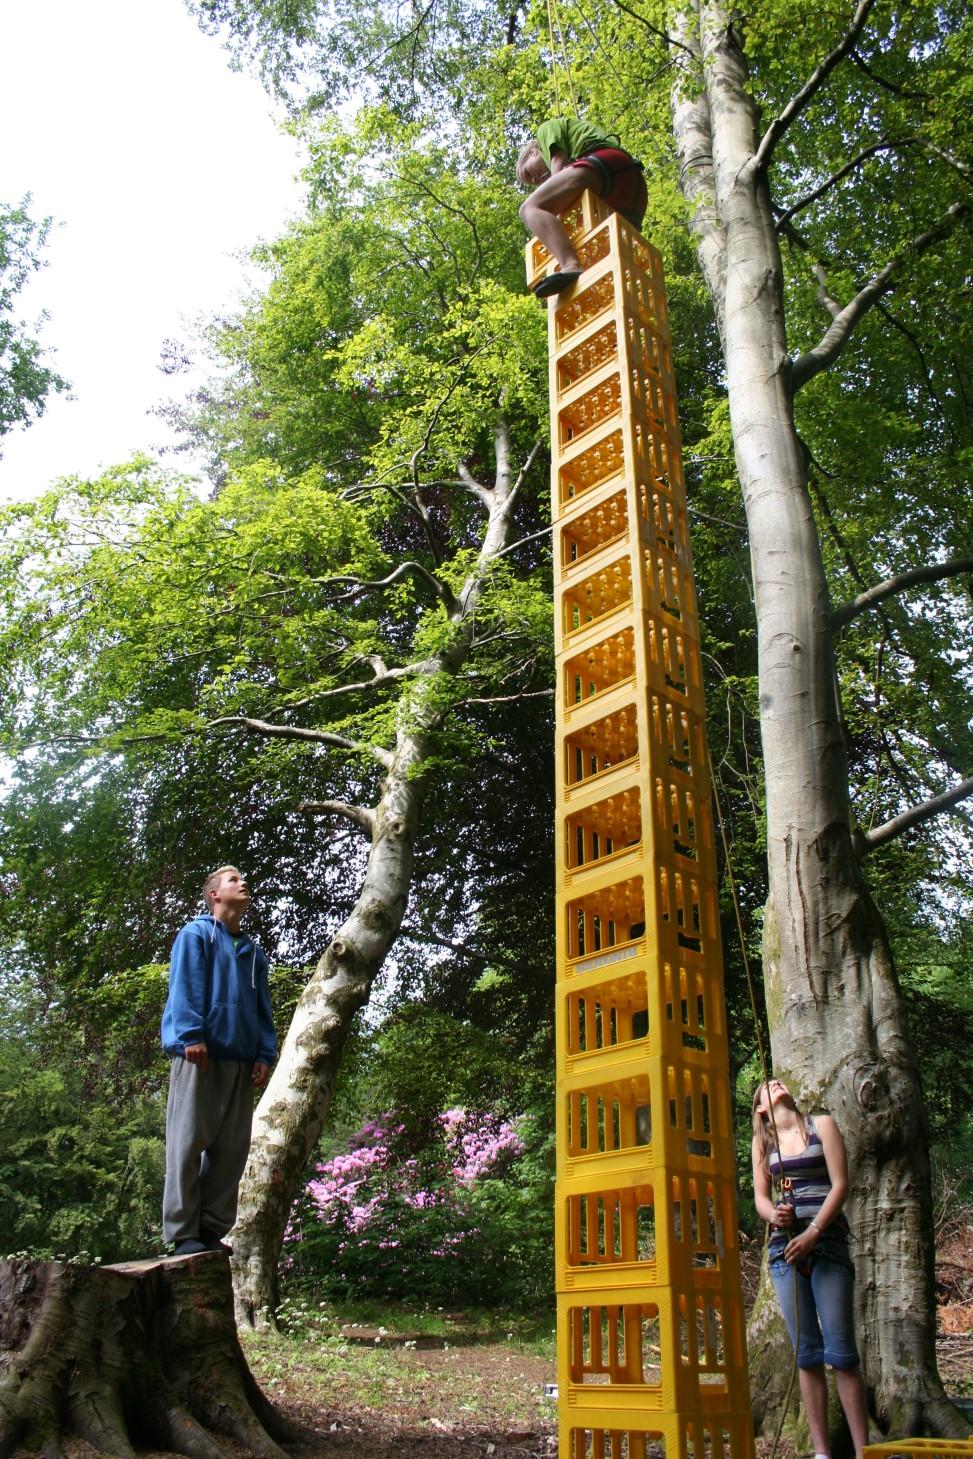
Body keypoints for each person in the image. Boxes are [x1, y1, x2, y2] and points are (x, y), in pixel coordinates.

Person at [161, 866, 277, 1256]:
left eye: (243, 879)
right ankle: (182, 1232)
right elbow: (186, 985)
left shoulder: (253, 953)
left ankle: (210, 1228)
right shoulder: (195, 935)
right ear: (214, 895)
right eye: (233, 880)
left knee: (231, 1151)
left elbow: (263, 1010)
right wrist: (191, 1035)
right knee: (188, 1142)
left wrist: (264, 1053)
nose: (243, 883)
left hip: (242, 1062)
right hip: (201, 1056)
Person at [751, 1078, 870, 1459]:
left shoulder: (823, 1126)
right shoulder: (762, 1143)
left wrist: (815, 1231)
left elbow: (840, 1184)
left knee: (842, 1351)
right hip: (785, 1250)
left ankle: (863, 1449)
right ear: (761, 1109)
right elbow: (760, 1197)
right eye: (767, 1086)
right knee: (807, 1353)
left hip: (827, 1243)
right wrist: (776, 1216)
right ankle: (822, 1453)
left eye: (777, 1081)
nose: (775, 1082)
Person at [517, 115, 647, 298]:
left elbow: (557, 160)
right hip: (632, 189)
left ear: (533, 152)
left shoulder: (545, 131)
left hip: (607, 164)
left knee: (530, 208)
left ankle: (570, 265)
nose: (536, 180)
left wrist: (551, 216)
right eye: (532, 182)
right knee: (606, 252)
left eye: (529, 172)